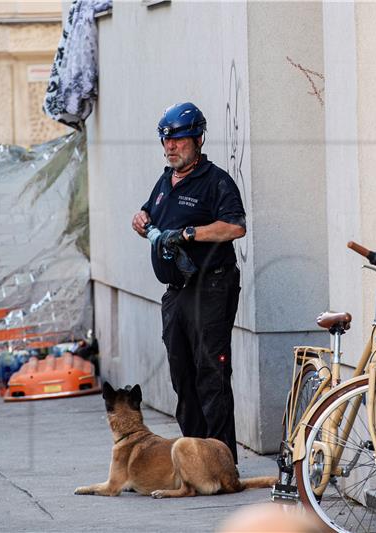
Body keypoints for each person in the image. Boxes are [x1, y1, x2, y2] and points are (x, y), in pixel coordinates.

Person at [131, 102, 246, 463]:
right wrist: (142, 217)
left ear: (197, 139)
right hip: (175, 294)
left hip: (211, 289)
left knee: (211, 374)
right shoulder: (166, 180)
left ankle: (222, 463)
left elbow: (235, 226)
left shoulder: (215, 181)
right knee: (182, 377)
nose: (171, 148)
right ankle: (196, 459)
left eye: (179, 141)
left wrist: (190, 233)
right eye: (166, 141)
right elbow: (152, 212)